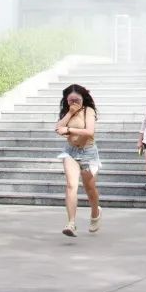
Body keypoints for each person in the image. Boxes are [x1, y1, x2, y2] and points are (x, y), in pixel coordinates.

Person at [55, 84, 101, 237]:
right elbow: (58, 128)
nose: (74, 103)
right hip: (70, 152)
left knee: (90, 189)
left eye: (77, 100)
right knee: (71, 185)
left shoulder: (89, 111)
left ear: (83, 99)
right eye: (71, 100)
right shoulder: (67, 112)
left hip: (88, 152)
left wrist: (69, 130)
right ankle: (71, 223)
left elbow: (89, 132)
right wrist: (69, 113)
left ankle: (95, 213)